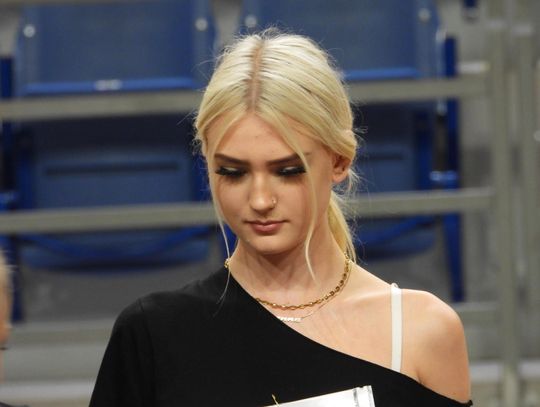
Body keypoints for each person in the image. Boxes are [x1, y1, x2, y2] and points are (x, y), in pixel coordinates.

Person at [90, 30, 472, 406]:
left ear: (339, 161)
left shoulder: (422, 331)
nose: (260, 200)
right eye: (232, 172)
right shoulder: (154, 335)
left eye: (288, 170)